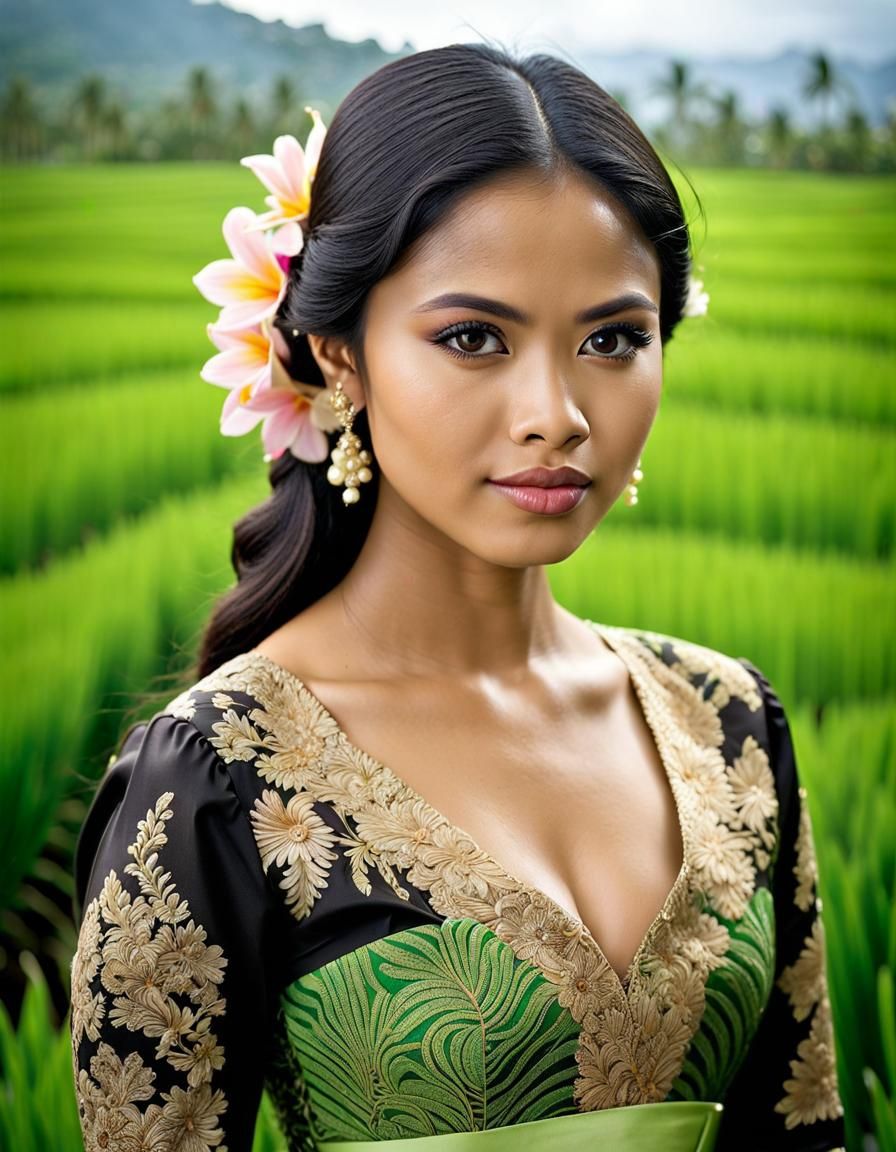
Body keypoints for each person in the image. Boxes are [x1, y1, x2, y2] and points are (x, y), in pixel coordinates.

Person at [69, 41, 845, 1152]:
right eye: (473, 337)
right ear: (339, 354)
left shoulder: (726, 721)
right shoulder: (215, 779)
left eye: (612, 339)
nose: (558, 413)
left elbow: (803, 1126)